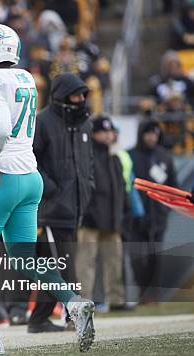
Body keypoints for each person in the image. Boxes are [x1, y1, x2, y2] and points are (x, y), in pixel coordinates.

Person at [0, 24, 95, 356]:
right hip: (29, 177)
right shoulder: (25, 78)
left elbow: (0, 127)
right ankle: (72, 303)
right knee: (22, 258)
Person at [27, 72, 96, 334]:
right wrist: (51, 189)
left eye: (83, 95)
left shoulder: (85, 124)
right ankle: (75, 316)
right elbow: (31, 159)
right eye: (76, 95)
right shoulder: (43, 122)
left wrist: (87, 187)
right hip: (52, 210)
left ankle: (38, 320)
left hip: (75, 208)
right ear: (61, 96)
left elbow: (88, 163)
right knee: (65, 266)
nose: (80, 100)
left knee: (53, 266)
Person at [76, 115, 127, 310]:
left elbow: (120, 189)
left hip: (111, 219)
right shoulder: (87, 155)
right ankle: (83, 301)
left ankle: (116, 299)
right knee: (85, 263)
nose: (107, 135)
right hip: (90, 219)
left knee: (114, 261)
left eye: (109, 131)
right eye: (102, 132)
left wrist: (121, 215)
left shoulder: (114, 157)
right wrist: (86, 212)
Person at [128, 119, 177, 302]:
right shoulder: (130, 156)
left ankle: (153, 294)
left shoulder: (164, 157)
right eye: (148, 133)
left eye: (155, 133)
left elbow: (173, 186)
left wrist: (164, 211)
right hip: (135, 218)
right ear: (141, 135)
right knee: (137, 257)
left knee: (156, 256)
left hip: (158, 218)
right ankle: (142, 292)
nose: (152, 137)